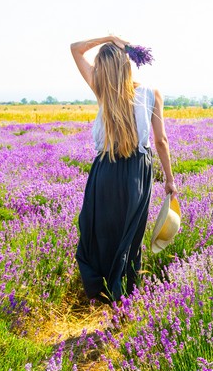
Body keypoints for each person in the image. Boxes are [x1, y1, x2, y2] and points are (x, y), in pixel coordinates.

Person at [70, 35, 178, 303]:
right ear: (127, 64)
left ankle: (103, 291)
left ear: (104, 69)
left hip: (105, 170)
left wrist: (108, 37)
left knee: (99, 230)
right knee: (130, 235)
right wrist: (169, 180)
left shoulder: (100, 87)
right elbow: (161, 142)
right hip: (137, 173)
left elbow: (75, 49)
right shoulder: (151, 94)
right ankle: (125, 294)